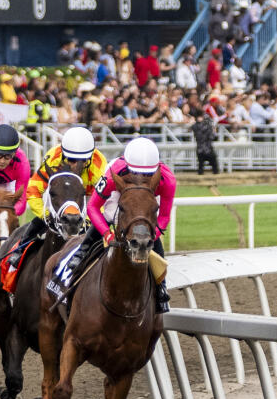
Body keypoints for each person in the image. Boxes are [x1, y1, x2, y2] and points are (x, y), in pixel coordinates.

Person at [72, 135, 176, 311]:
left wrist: (151, 236)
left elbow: (164, 217)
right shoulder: (114, 175)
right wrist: (107, 233)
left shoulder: (167, 180)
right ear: (128, 167)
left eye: (148, 174)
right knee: (111, 215)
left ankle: (161, 287)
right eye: (135, 173)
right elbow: (93, 207)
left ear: (156, 169)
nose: (141, 177)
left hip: (147, 196)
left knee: (148, 229)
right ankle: (80, 254)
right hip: (120, 192)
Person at [22, 124, 109, 247]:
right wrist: (45, 215)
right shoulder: (53, 158)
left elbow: (102, 202)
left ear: (90, 157)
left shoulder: (99, 165)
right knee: (46, 216)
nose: (76, 165)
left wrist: (89, 222)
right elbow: (33, 190)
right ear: (63, 155)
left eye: (83, 160)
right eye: (72, 160)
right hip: (61, 193)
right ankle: (21, 247)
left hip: (89, 197)